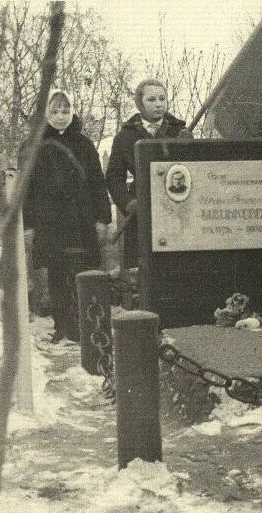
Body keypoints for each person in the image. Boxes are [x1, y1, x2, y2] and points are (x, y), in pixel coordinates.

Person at [22, 89, 112, 343]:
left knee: (81, 271)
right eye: (54, 111)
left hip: (80, 220)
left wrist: (102, 219)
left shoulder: (83, 144)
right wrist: (29, 226)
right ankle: (62, 326)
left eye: (65, 111)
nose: (61, 117)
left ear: (72, 113)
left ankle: (82, 327)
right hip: (49, 222)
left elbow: (97, 183)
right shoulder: (33, 145)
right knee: (57, 273)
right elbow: (26, 190)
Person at [106, 78, 193, 267]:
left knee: (177, 265)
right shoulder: (125, 137)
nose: (158, 104)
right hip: (141, 213)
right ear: (140, 103)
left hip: (176, 208)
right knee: (143, 268)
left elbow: (193, 171)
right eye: (152, 99)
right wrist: (128, 202)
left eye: (162, 98)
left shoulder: (180, 133)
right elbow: (114, 176)